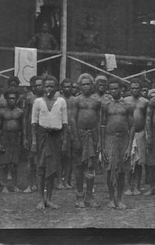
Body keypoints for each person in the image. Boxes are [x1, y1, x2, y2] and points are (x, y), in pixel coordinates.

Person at [31, 75, 68, 209]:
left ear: (56, 88)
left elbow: (64, 123)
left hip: (55, 138)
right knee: (41, 168)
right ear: (43, 87)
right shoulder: (38, 102)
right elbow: (34, 123)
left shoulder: (62, 102)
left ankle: (49, 199)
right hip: (42, 137)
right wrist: (34, 142)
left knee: (52, 170)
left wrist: (64, 142)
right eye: (47, 86)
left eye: (52, 86)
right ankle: (41, 199)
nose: (49, 89)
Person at [100, 77, 135, 209]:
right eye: (111, 89)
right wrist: (102, 147)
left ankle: (119, 199)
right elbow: (102, 126)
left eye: (116, 88)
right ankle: (111, 198)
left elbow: (131, 126)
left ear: (121, 89)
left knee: (121, 171)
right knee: (109, 169)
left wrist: (129, 147)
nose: (114, 91)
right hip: (109, 139)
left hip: (123, 139)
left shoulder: (128, 106)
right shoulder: (106, 105)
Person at [69, 73, 102, 208]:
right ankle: (79, 195)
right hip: (80, 135)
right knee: (79, 165)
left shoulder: (96, 101)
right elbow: (72, 119)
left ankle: (89, 196)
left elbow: (99, 120)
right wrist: (76, 138)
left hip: (93, 135)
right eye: (84, 84)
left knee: (91, 165)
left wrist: (98, 139)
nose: (86, 87)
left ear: (92, 85)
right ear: (80, 86)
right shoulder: (76, 100)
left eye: (88, 84)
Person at [0, 89, 27, 193]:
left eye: (13, 98)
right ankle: (5, 186)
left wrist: (24, 139)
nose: (11, 100)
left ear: (17, 99)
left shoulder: (20, 112)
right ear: (6, 99)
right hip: (5, 138)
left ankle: (14, 185)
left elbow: (23, 128)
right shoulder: (2, 112)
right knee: (4, 164)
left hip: (15, 138)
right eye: (9, 98)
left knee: (15, 164)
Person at [123, 79, 149, 196]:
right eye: (132, 88)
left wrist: (147, 134)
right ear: (130, 89)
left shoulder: (145, 102)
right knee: (128, 160)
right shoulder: (125, 101)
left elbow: (147, 119)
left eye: (137, 88)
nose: (134, 90)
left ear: (140, 89)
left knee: (139, 162)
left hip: (140, 133)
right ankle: (128, 186)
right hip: (128, 134)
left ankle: (137, 186)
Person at [23, 75, 44, 193]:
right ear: (33, 87)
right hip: (32, 131)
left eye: (41, 85)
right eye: (36, 85)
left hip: (43, 132)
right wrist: (25, 137)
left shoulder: (47, 98)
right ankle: (29, 185)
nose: (39, 87)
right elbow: (25, 117)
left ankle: (39, 183)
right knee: (30, 159)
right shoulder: (30, 99)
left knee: (41, 160)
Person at [58, 78, 74, 190]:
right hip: (59, 129)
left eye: (69, 87)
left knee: (69, 156)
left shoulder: (74, 99)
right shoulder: (58, 99)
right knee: (59, 156)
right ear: (62, 88)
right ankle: (59, 180)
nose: (67, 89)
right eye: (65, 87)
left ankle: (67, 180)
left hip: (71, 130)